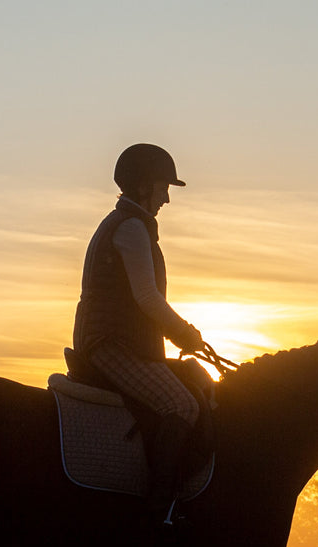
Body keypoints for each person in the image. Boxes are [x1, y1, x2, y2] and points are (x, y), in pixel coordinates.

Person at [73, 143, 205, 525]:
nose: (166, 198)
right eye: (163, 187)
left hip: (120, 341)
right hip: (111, 344)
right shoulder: (131, 228)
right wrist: (184, 333)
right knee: (182, 406)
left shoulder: (127, 223)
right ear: (144, 186)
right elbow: (147, 297)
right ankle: (159, 508)